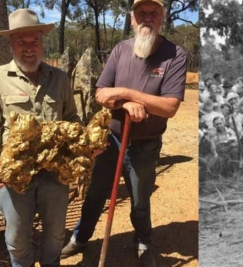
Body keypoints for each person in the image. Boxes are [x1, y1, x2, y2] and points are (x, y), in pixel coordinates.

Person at [60, 0, 187, 266]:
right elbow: (101, 93)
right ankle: (80, 238)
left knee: (140, 200)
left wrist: (126, 92)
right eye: (142, 12)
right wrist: (126, 103)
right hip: (111, 140)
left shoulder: (175, 55)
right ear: (132, 19)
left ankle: (143, 243)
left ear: (162, 19)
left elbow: (170, 106)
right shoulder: (120, 50)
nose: (147, 18)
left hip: (145, 145)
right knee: (95, 194)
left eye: (154, 13)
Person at [0, 9, 82, 267]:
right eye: (21, 42)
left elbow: (72, 119)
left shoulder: (59, 79)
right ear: (11, 43)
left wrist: (82, 146)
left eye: (34, 41)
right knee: (16, 237)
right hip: (14, 174)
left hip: (55, 172)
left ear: (41, 42)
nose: (28, 48)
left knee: (56, 235)